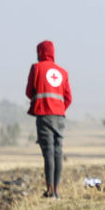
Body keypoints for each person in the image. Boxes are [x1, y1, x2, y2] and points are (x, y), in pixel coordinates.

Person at [26, 40, 72, 198]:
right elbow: (68, 98)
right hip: (59, 116)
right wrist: (58, 109)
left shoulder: (36, 68)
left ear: (40, 52)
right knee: (58, 151)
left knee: (49, 152)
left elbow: (28, 92)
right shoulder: (63, 72)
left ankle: (50, 189)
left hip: (44, 114)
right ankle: (57, 190)